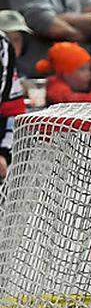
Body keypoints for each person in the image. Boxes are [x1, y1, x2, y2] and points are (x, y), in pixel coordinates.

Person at [0, 11, 30, 181]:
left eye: (17, 40)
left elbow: (14, 113)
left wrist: (3, 153)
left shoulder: (3, 49)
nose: (12, 44)